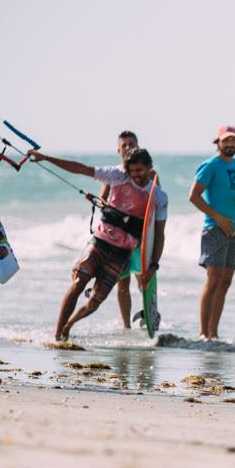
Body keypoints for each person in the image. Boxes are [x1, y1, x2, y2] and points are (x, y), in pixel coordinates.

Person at [28, 148, 166, 341]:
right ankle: (57, 335)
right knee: (79, 283)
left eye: (141, 171)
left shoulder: (158, 197)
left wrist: (153, 265)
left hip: (122, 253)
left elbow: (158, 235)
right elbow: (80, 169)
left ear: (150, 168)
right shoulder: (117, 176)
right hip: (100, 241)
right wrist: (45, 158)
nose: (136, 176)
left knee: (94, 302)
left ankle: (69, 325)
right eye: (133, 171)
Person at [189, 125, 235, 340]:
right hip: (214, 229)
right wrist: (218, 218)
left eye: (233, 141)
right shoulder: (210, 165)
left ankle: (213, 333)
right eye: (225, 140)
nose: (229, 144)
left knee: (225, 282)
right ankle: (203, 333)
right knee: (214, 279)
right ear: (217, 142)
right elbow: (194, 196)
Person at [96, 131, 163, 329]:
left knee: (144, 278)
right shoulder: (115, 175)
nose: (127, 148)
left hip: (141, 238)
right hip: (119, 238)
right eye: (123, 145)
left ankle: (149, 314)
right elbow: (102, 201)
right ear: (118, 150)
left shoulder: (149, 174)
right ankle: (126, 326)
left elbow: (155, 204)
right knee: (122, 282)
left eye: (131, 144)